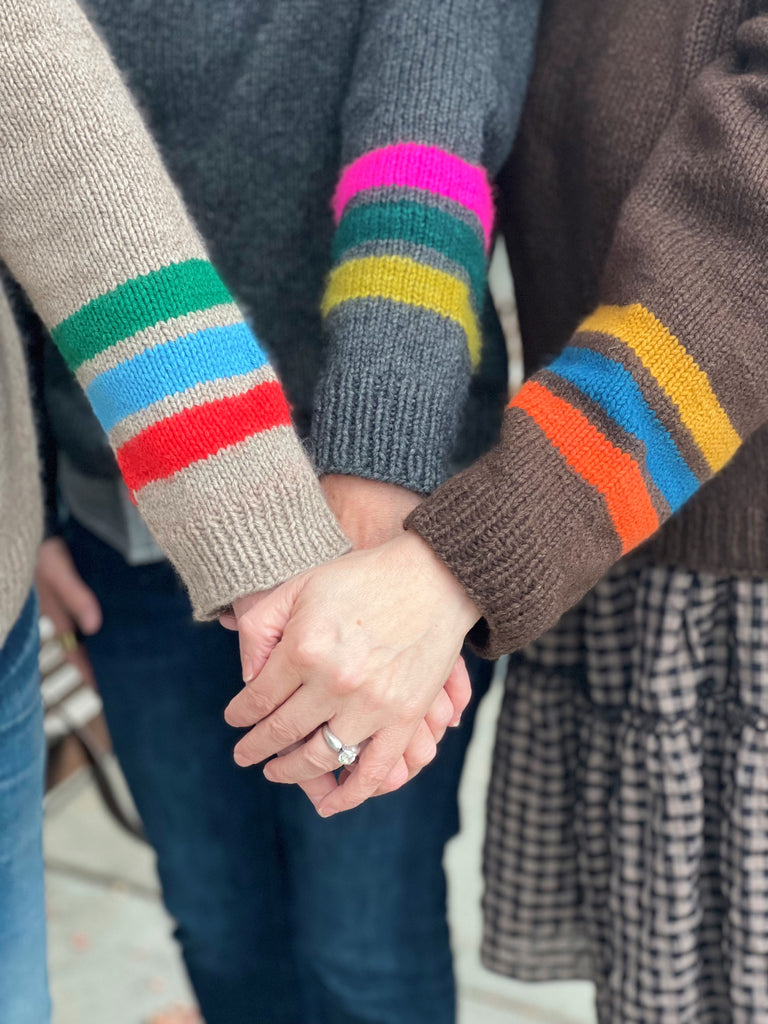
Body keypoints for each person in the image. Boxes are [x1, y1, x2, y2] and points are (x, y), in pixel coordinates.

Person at [227, 2, 768, 1020]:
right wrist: (380, 470)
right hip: (613, 524)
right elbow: (434, 98)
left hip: (716, 582)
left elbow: (746, 249)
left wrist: (456, 564)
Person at [26, 2, 542, 1021]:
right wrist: (33, 496)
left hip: (379, 521)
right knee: (217, 915)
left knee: (365, 938)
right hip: (118, 509)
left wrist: (378, 477)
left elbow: (429, 115)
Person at [0, 0, 356, 1017]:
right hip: (105, 525)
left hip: (342, 528)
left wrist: (295, 531)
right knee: (214, 908)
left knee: (359, 944)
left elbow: (54, 152)